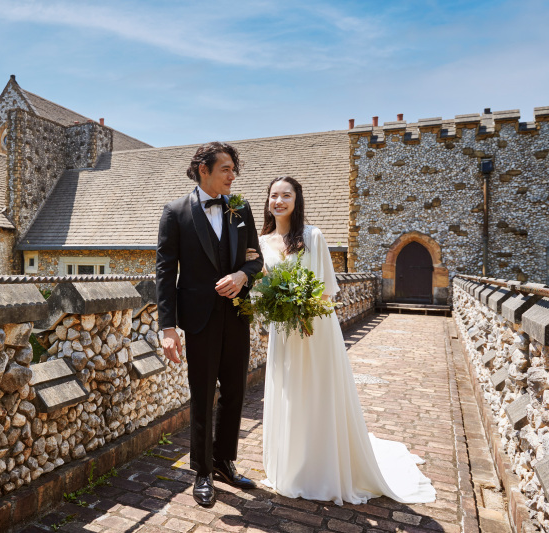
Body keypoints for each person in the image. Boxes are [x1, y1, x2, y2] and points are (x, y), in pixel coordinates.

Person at [257, 176, 436, 505]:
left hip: (315, 329)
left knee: (317, 393)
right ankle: (291, 466)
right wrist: (278, 306)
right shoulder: (261, 241)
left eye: (286, 195)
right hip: (284, 332)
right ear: (267, 201)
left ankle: (322, 468)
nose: (279, 201)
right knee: (290, 395)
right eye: (274, 195)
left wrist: (302, 308)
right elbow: (261, 287)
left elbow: (325, 290)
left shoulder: (313, 236)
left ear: (297, 201)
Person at [156, 142, 264, 507]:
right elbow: (165, 271)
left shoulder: (241, 209)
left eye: (235, 169)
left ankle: (223, 463)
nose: (234, 176)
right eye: (227, 169)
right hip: (198, 319)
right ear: (204, 169)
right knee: (202, 394)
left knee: (235, 392)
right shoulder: (174, 212)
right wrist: (167, 328)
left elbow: (256, 259)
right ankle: (201, 471)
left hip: (237, 315)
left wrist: (241, 275)